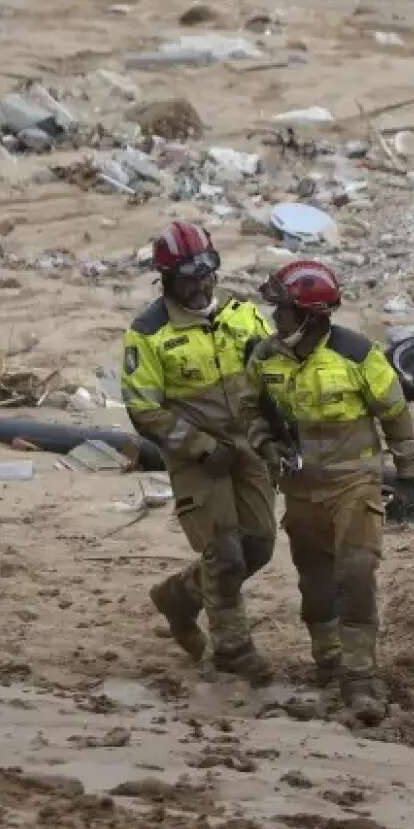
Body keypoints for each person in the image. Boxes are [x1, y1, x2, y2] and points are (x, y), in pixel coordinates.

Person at [246, 259, 414, 724]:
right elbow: (252, 415)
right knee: (314, 575)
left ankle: (360, 674)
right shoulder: (264, 358)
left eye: (280, 310)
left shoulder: (358, 355)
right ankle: (327, 660)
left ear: (310, 314)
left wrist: (409, 472)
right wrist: (265, 444)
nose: (272, 318)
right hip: (301, 488)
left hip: (355, 483)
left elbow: (395, 414)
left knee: (358, 570)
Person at [121, 221, 277, 683]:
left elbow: (273, 375)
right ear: (166, 279)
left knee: (259, 546)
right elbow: (142, 408)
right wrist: (201, 447)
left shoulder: (244, 314)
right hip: (196, 456)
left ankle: (180, 597)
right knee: (224, 552)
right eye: (188, 277)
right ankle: (232, 649)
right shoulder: (148, 335)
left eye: (206, 272)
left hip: (250, 447)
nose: (201, 284)